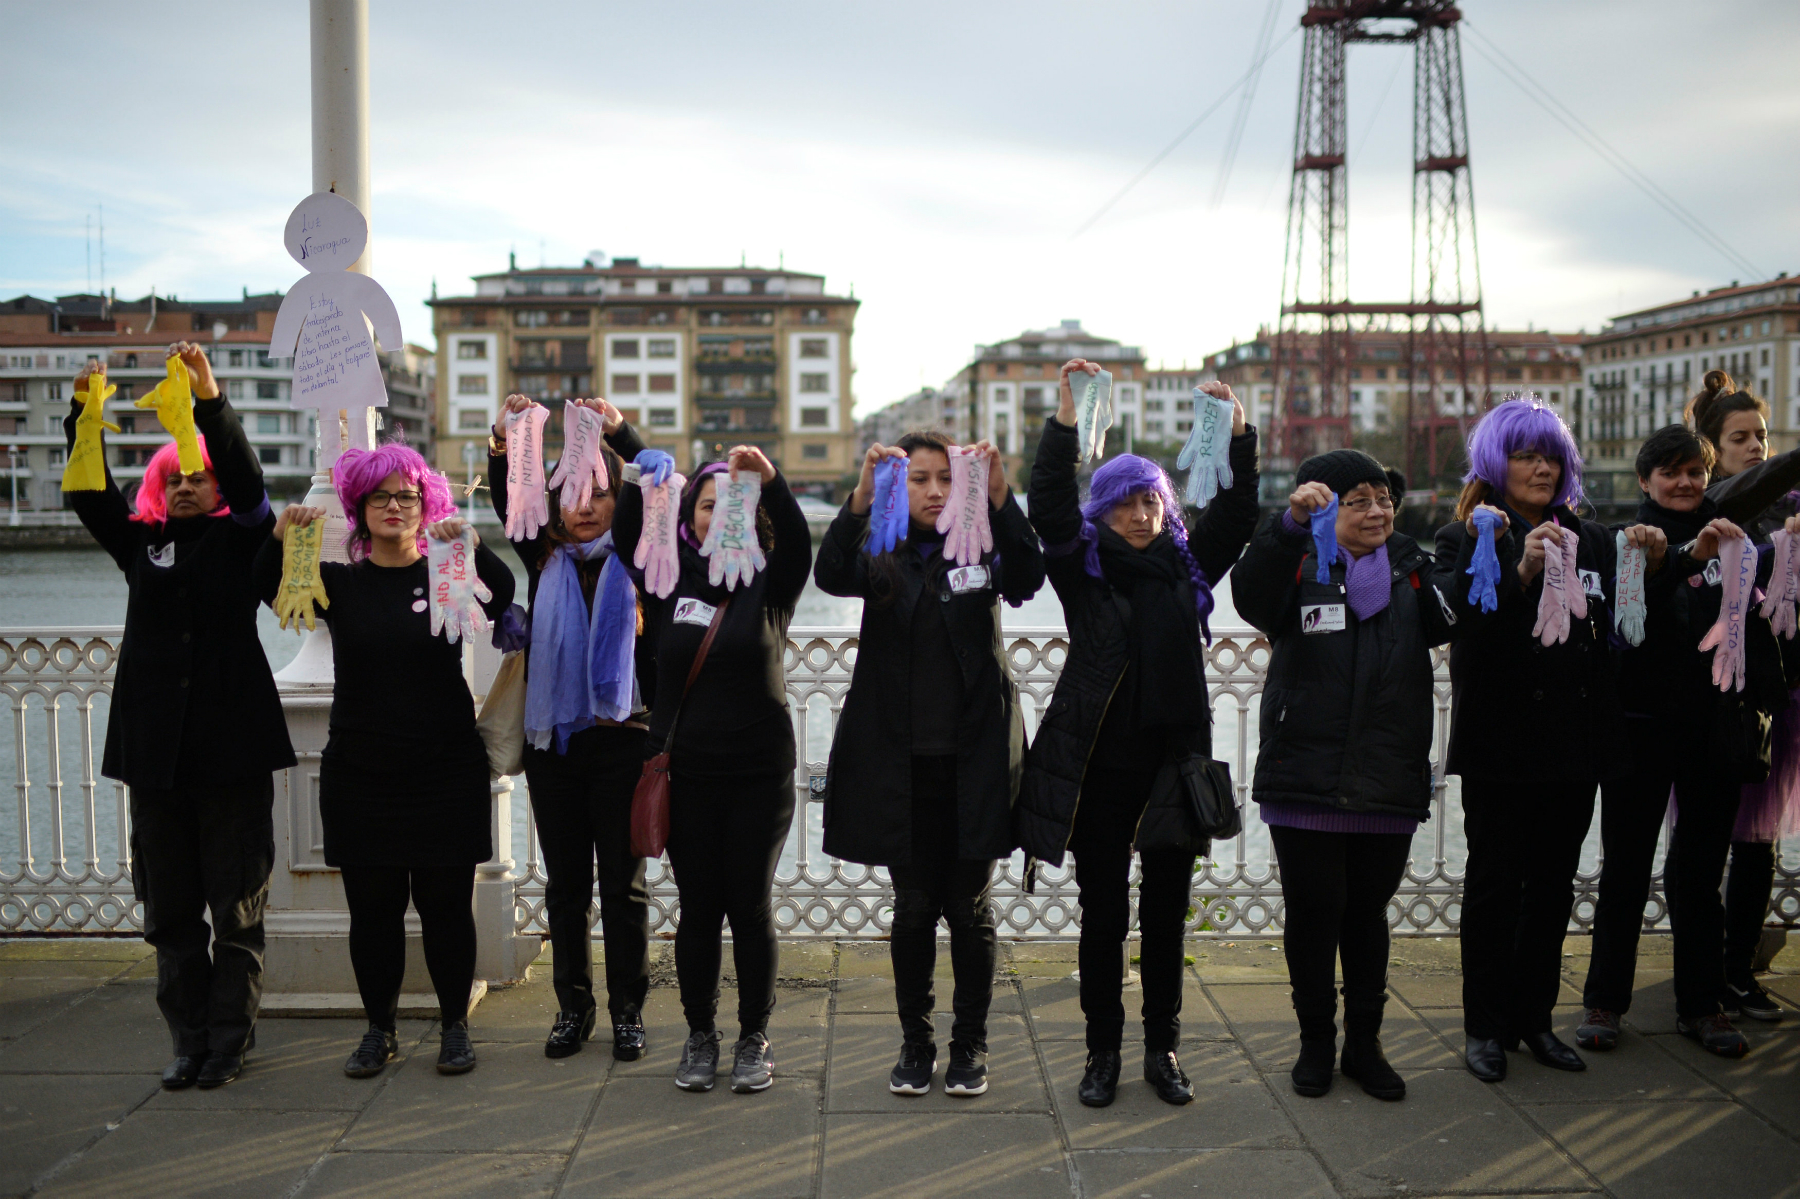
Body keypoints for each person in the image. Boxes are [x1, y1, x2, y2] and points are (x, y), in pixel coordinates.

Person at [1015, 361, 1260, 1109]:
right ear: (1104, 512)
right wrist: (1064, 421)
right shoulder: (1084, 573)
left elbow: (1240, 512)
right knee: (1103, 918)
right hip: (1098, 768)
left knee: (1162, 922)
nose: (1139, 515)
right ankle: (1101, 1053)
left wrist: (1240, 435)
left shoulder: (1188, 569)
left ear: (1167, 508)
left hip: (1172, 769)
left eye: (1151, 500)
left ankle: (1164, 1048)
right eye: (1124, 504)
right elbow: (1049, 507)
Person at [64, 343, 295, 1091]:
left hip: (230, 753)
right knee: (169, 912)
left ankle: (229, 1040)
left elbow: (254, 485)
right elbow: (89, 494)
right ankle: (188, 1038)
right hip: (156, 758)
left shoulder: (244, 539)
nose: (191, 485)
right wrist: (84, 414)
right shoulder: (141, 545)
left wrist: (208, 401)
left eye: (202, 476)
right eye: (178, 478)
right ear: (160, 489)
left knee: (238, 908)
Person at [256, 443, 515, 1078]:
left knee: (447, 907)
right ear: (360, 510)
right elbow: (272, 590)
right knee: (372, 914)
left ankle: (455, 1026)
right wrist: (281, 536)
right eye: (381, 498)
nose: (395, 507)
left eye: (407, 497)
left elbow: (501, 599)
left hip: (443, 766)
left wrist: (474, 546)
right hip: (361, 771)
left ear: (425, 506)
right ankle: (379, 1030)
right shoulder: (339, 584)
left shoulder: (447, 573)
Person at [1433, 397, 1665, 1082]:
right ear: (1496, 462)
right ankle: (1484, 1028)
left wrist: (1660, 560)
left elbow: (1630, 620)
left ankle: (1533, 1019)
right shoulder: (1468, 536)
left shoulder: (1588, 538)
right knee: (1494, 888)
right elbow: (1458, 624)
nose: (1540, 466)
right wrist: (1520, 569)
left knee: (1553, 888)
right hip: (1502, 744)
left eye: (1551, 456)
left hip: (1574, 745)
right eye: (1526, 454)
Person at [1232, 451, 1468, 1101]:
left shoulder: (1413, 572)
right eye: (1358, 499)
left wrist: (1486, 549)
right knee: (1313, 911)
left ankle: (1365, 1043)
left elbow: (1457, 617)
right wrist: (1286, 526)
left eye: (1383, 498)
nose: (1377, 510)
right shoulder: (1299, 565)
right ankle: (1316, 1042)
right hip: (1304, 770)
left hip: (1387, 773)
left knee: (1367, 912)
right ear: (1328, 508)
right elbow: (1251, 595)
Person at [815, 432, 1045, 1097]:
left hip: (975, 761)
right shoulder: (879, 550)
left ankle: (970, 1043)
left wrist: (1001, 496)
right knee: (914, 906)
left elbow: (1030, 577)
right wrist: (859, 500)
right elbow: (830, 573)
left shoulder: (979, 545)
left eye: (946, 477)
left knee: (969, 907)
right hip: (897, 763)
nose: (935, 490)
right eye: (918, 478)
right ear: (898, 485)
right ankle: (915, 1042)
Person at [1577, 422, 1790, 1059]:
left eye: (1695, 472)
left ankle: (1704, 1005)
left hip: (1711, 732)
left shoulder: (1738, 540)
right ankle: (1604, 1001)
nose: (1684, 482)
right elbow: (1626, 629)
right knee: (1624, 869)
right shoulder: (1626, 541)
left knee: (1699, 874)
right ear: (1645, 480)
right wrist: (1684, 561)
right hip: (1639, 731)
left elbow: (1759, 625)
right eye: (1670, 472)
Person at [612, 444, 812, 1094]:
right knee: (698, 908)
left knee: (750, 907)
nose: (721, 509)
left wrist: (771, 481)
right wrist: (638, 469)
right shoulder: (666, 579)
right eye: (707, 500)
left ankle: (755, 1033)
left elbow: (803, 544)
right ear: (688, 516)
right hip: (686, 773)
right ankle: (700, 1033)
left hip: (761, 774)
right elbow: (625, 531)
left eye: (736, 499)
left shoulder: (771, 585)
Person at [488, 394, 659, 1060]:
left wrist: (619, 430)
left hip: (625, 741)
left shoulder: (645, 560)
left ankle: (628, 1010)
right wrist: (507, 441)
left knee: (623, 884)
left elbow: (657, 478)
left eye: (597, 493)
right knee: (565, 885)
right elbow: (513, 499)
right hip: (556, 746)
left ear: (619, 501)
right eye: (570, 495)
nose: (583, 506)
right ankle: (572, 1007)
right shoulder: (541, 558)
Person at [1683, 372, 1800, 1024]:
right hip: (1725, 696)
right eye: (1740, 437)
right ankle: (1708, 974)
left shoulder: (1791, 503)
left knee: (1762, 843)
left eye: (1760, 435)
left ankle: (1737, 970)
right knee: (1715, 840)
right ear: (1712, 448)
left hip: (1780, 690)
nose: (1754, 445)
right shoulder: (1713, 502)